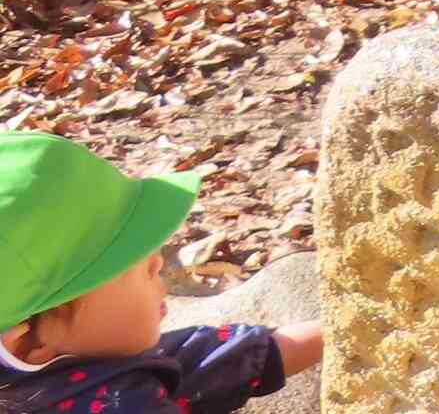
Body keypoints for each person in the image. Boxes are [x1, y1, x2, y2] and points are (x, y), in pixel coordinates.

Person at [0, 132, 321, 413]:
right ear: (28, 342)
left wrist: (337, 330)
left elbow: (217, 360)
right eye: (125, 263)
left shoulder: (96, 353)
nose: (156, 261)